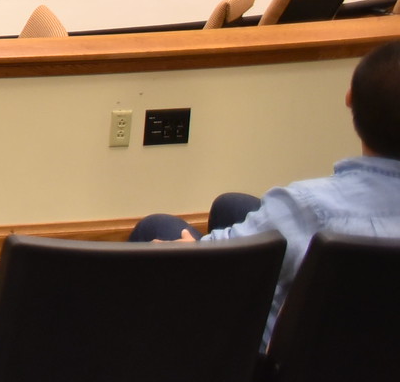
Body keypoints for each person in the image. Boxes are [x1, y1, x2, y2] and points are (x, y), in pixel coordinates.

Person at [129, 39, 400, 344]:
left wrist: (186, 251)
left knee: (159, 228)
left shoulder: (308, 207)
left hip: (284, 376)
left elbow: (208, 265)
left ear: (350, 99)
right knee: (232, 206)